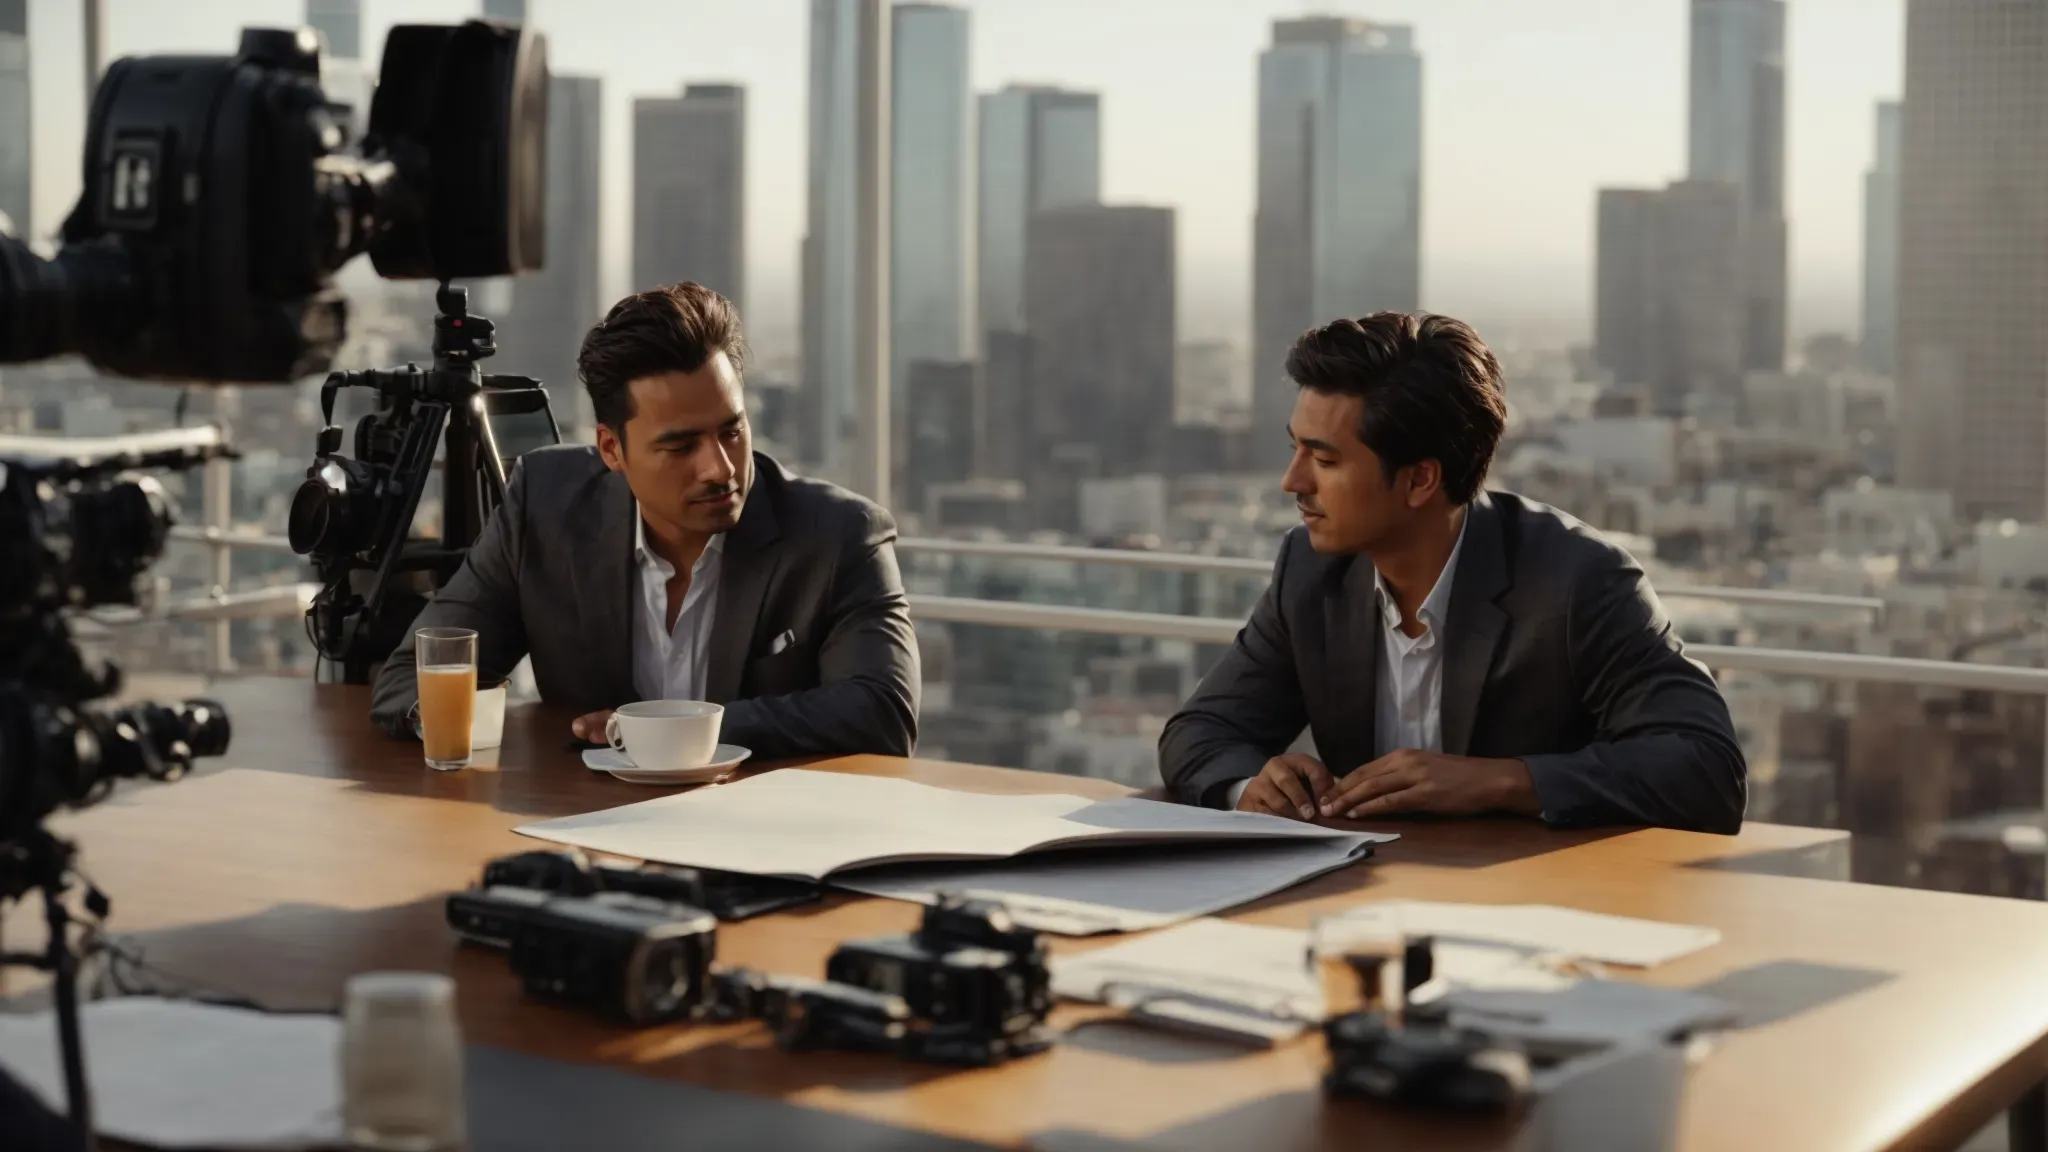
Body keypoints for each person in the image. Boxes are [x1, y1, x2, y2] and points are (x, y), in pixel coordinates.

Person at [1158, 312, 1745, 833]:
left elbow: (1708, 768)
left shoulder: (1577, 581)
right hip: (1365, 892)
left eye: (1325, 460)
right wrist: (1252, 787)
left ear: (1420, 479)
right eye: (1296, 450)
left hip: (1537, 899)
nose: (1293, 482)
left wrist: (1501, 782)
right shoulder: (1312, 571)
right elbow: (1200, 730)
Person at [370, 282, 919, 760]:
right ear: (611, 448)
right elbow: (410, 678)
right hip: (578, 821)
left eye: (731, 431)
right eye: (680, 446)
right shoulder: (546, 505)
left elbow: (884, 712)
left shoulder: (840, 534)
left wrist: (670, 731)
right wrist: (463, 730)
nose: (720, 468)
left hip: (758, 828)